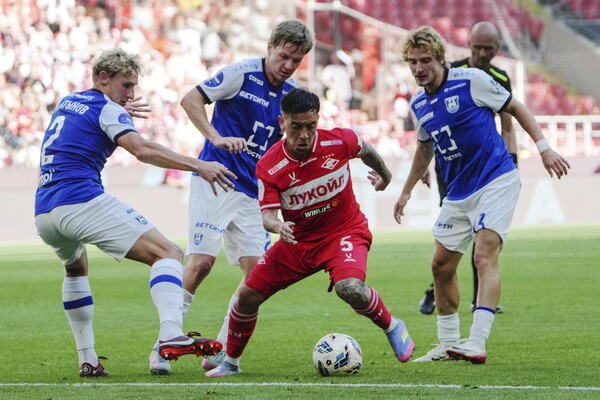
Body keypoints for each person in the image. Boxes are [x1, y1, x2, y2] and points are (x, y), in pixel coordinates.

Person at [34, 48, 236, 377]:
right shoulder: (107, 109)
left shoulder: (70, 101)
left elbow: (82, 127)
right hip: (80, 200)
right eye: (126, 85)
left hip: (44, 211)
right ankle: (171, 333)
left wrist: (118, 107)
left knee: (76, 267)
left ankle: (88, 360)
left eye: (133, 87)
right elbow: (141, 150)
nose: (131, 94)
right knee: (168, 252)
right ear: (103, 78)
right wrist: (199, 165)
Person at [204, 87, 415, 377]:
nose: (304, 135)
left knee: (350, 288)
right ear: (282, 123)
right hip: (298, 241)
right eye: (296, 127)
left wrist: (386, 176)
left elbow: (366, 149)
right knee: (246, 297)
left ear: (318, 120)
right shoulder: (269, 165)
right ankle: (230, 362)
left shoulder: (340, 140)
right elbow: (267, 217)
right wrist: (278, 226)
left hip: (344, 232)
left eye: (310, 126)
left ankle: (393, 327)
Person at [394, 26, 570, 364]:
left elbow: (516, 108)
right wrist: (405, 191)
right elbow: (424, 147)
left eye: (425, 60)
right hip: (459, 191)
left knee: (483, 255)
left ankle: (476, 341)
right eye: (412, 62)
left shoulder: (471, 80)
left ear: (440, 58)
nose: (418, 68)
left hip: (496, 179)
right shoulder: (418, 103)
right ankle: (448, 344)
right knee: (440, 265)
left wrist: (544, 148)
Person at [176, 20, 314, 373]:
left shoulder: (292, 96)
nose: (288, 65)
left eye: (296, 61)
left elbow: (295, 146)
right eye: (283, 56)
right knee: (201, 263)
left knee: (256, 279)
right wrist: (215, 137)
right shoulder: (241, 74)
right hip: (217, 178)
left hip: (254, 193)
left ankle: (221, 350)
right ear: (270, 47)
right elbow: (190, 99)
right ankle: (166, 340)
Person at [418, 21, 517, 315]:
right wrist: (424, 167)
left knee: (482, 239)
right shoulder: (452, 70)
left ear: (496, 49)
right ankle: (435, 290)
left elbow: (507, 124)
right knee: (451, 239)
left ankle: (479, 300)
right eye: (478, 47)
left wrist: (512, 161)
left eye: (488, 48)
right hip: (450, 170)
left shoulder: (500, 77)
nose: (482, 53)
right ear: (469, 45)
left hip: (485, 168)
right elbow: (431, 124)